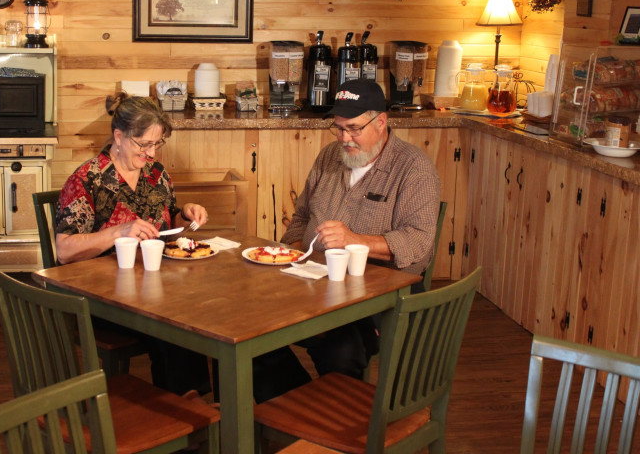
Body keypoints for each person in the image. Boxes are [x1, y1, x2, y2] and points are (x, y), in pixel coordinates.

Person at [255, 78, 441, 395]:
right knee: (254, 327)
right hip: (317, 282)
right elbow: (300, 217)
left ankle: (337, 426)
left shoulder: (413, 168)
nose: (344, 138)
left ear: (381, 122)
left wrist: (353, 239)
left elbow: (419, 246)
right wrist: (293, 254)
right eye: (338, 128)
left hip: (378, 297)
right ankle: (299, 409)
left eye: (353, 128)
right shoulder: (330, 156)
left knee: (340, 348)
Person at [54, 93, 212, 396]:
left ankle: (194, 406)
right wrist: (118, 231)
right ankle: (184, 410)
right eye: (144, 144)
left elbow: (166, 226)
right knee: (174, 322)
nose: (151, 153)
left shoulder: (156, 174)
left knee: (196, 312)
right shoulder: (88, 179)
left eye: (157, 144)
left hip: (155, 288)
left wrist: (185, 212)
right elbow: (64, 250)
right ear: (119, 136)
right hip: (104, 299)